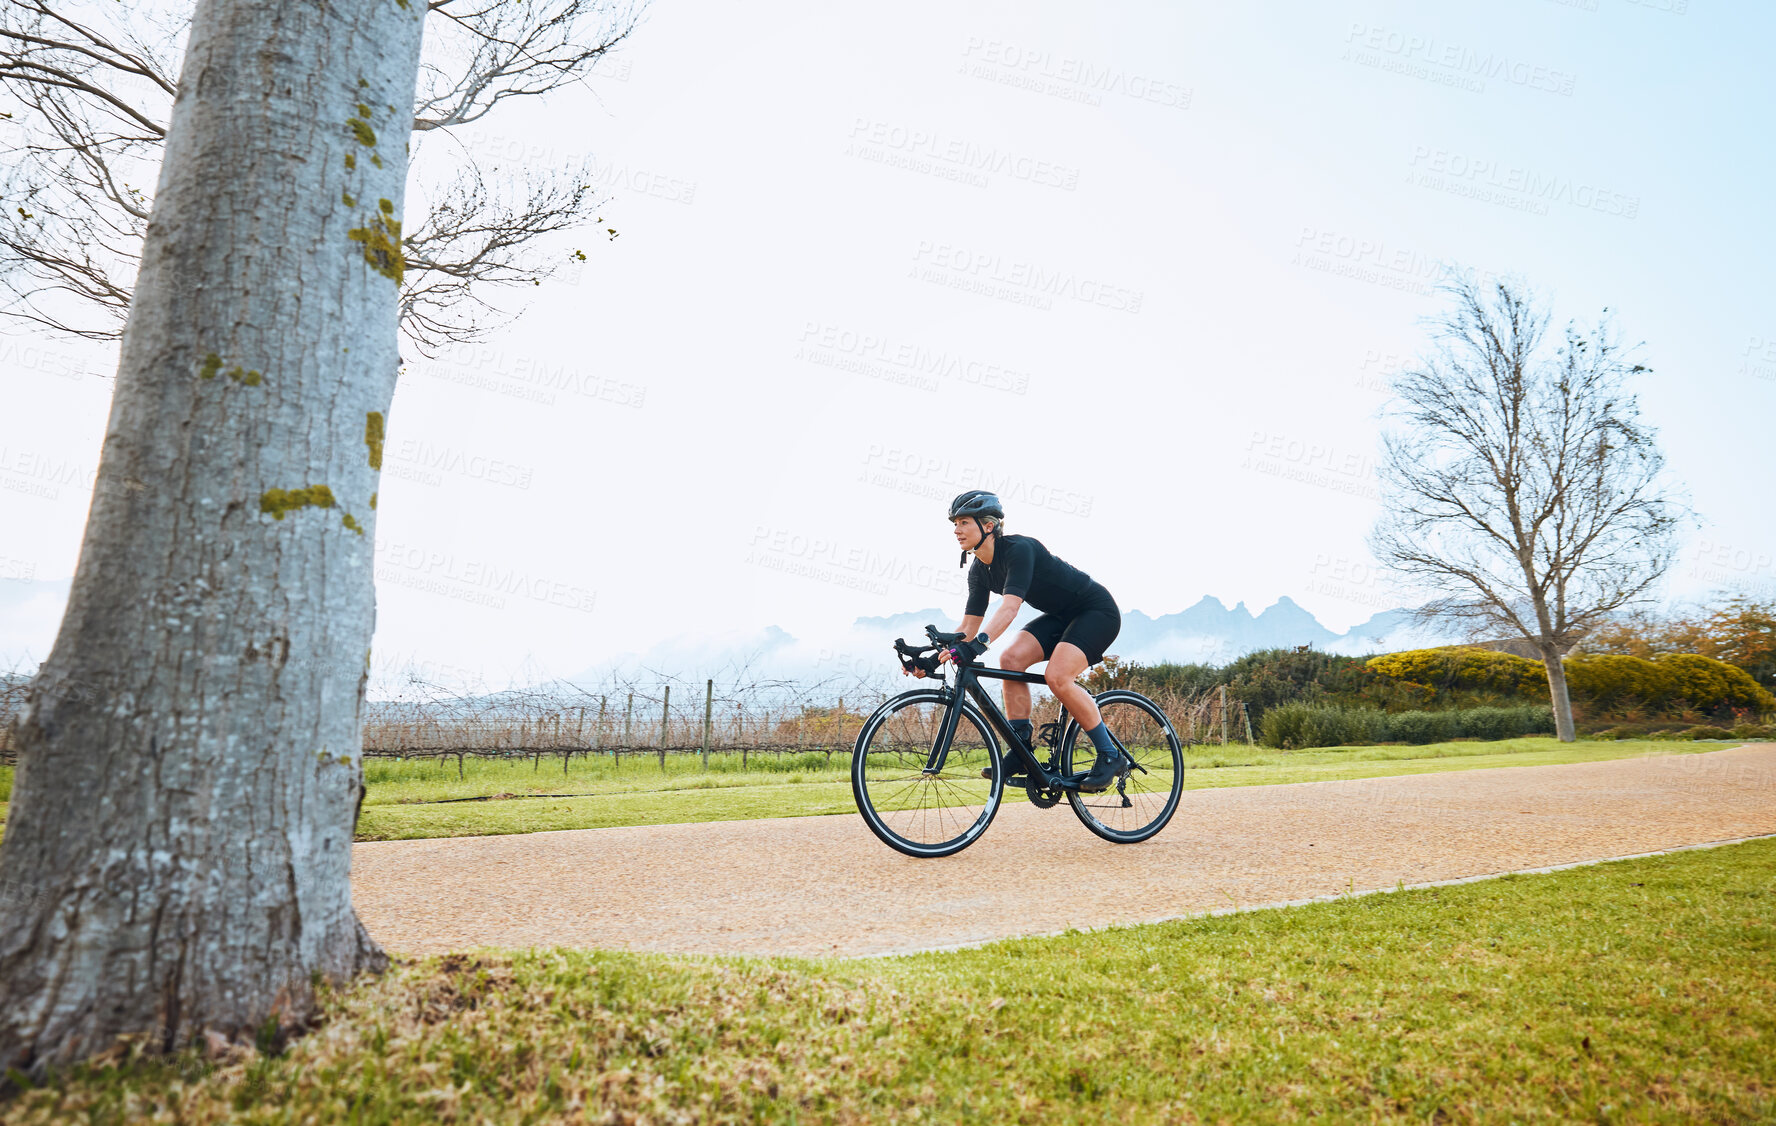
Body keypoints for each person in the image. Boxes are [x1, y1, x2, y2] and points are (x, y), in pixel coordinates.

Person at [918, 489, 1125, 791]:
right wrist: (933, 655)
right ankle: (1021, 748)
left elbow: (1010, 607)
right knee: (1010, 659)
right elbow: (968, 626)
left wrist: (977, 646)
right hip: (1061, 617)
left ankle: (1110, 755)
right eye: (955, 523)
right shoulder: (978, 570)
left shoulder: (1019, 549)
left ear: (988, 526)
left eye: (963, 522)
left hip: (1095, 612)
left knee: (1057, 677)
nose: (956, 530)